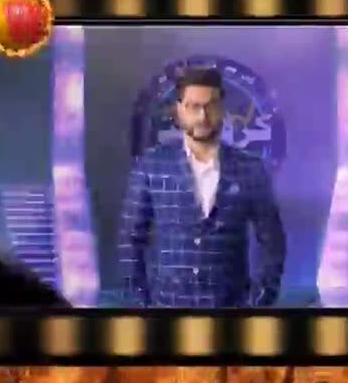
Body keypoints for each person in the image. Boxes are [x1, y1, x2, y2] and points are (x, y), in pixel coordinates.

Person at [119, 67, 286, 308]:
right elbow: (130, 239)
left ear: (222, 108)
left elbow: (273, 241)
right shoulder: (152, 166)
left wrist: (259, 301)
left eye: (210, 105)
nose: (202, 115)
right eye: (193, 106)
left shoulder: (250, 168)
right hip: (167, 308)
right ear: (179, 110)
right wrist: (143, 305)